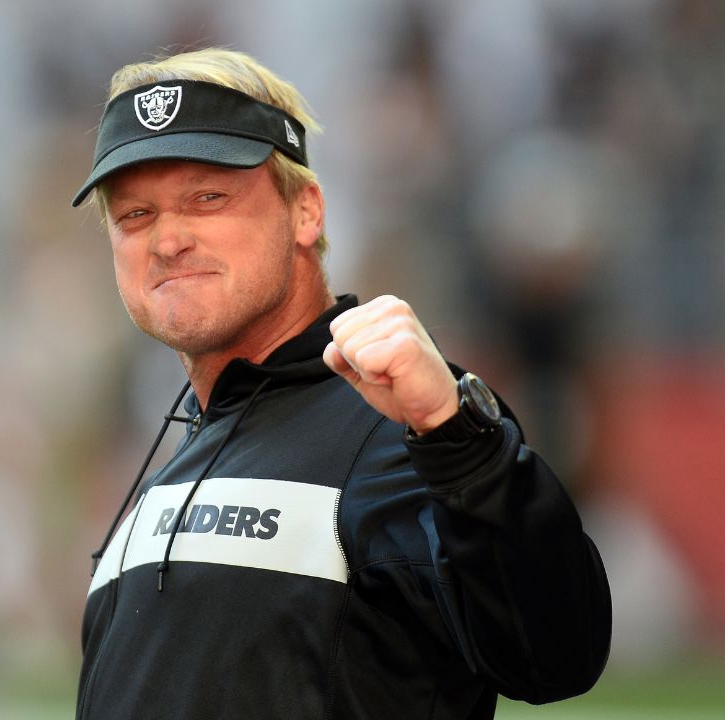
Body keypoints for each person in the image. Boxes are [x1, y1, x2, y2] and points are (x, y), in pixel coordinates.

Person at [71, 47, 611, 720]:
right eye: (135, 215)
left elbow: (557, 654)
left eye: (208, 198)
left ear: (307, 211)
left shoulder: (405, 423)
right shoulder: (170, 466)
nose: (167, 240)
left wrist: (456, 437)